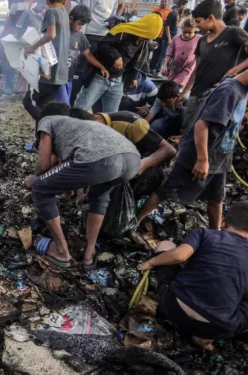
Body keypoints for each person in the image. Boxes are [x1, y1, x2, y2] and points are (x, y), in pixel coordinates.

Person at [137, 47, 248, 230]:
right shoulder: (229, 92)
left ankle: (216, 232)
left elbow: (236, 90)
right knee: (167, 192)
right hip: (198, 157)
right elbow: (201, 126)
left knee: (216, 198)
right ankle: (136, 220)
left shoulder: (242, 86)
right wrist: (202, 160)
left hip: (220, 156)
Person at [140, 201, 248, 350]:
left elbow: (178, 256)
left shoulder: (205, 234)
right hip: (216, 326)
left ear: (223, 221)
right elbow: (246, 295)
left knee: (166, 245)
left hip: (172, 307)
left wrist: (150, 263)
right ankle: (204, 339)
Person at [26, 105, 140, 269]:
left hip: (103, 160)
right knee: (99, 196)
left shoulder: (47, 121)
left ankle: (61, 251)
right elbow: (66, 167)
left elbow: (44, 165)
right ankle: (89, 254)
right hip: (132, 160)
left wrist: (34, 178)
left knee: (39, 189)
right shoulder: (77, 127)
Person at [177, 0, 248, 137]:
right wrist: (185, 91)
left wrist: (234, 70)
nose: (197, 26)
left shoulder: (233, 33)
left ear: (211, 18)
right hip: (196, 91)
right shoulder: (202, 40)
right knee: (186, 128)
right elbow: (197, 68)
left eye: (199, 21)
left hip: (216, 92)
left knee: (201, 131)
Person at [69, 108, 176, 199]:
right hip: (117, 165)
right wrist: (81, 189)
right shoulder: (92, 131)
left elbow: (169, 150)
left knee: (146, 176)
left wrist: (143, 164)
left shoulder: (132, 125)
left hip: (142, 170)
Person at [74, 13, 161, 114]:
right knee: (80, 109)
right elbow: (102, 44)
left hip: (118, 80)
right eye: (146, 37)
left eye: (148, 38)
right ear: (144, 29)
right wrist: (116, 56)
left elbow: (135, 61)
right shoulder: (122, 30)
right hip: (100, 76)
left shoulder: (142, 42)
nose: (145, 40)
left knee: (112, 115)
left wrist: (133, 77)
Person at [22, 0, 70, 122]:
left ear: (47, 1)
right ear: (64, 1)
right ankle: (41, 140)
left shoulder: (51, 12)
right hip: (61, 71)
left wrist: (32, 47)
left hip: (49, 70)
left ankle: (48, 126)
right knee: (43, 106)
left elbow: (51, 34)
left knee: (29, 102)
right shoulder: (64, 12)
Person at [54, 4, 106, 105]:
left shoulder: (80, 36)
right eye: (79, 24)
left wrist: (101, 67)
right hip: (56, 76)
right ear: (71, 19)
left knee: (69, 101)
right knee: (63, 105)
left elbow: (88, 54)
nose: (80, 27)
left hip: (69, 77)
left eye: (83, 25)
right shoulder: (58, 30)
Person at [162, 17, 199, 89]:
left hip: (188, 68)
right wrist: (165, 65)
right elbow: (170, 54)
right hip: (175, 68)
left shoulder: (199, 39)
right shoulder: (176, 38)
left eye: (190, 32)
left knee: (177, 86)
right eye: (184, 32)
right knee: (170, 87)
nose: (186, 35)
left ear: (195, 30)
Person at [149, 0, 173, 75]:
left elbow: (170, 24)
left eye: (165, 1)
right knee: (155, 52)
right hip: (156, 35)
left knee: (163, 54)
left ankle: (158, 70)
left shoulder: (170, 11)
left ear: (167, 2)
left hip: (165, 36)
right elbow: (152, 21)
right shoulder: (155, 10)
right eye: (162, 1)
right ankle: (151, 68)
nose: (163, 3)